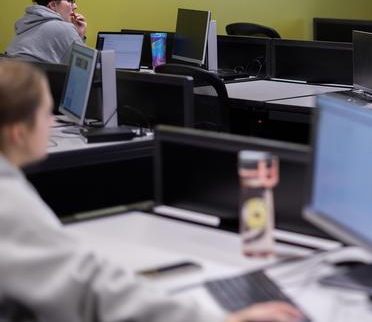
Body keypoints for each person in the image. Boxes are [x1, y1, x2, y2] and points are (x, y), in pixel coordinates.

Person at [0, 59, 302, 322]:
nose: (52, 120)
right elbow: (93, 292)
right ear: (19, 132)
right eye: (46, 112)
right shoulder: (10, 204)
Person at [5, 0, 88, 64]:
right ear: (53, 5)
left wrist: (79, 35)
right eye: (70, 1)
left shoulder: (26, 26)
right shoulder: (63, 29)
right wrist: (80, 35)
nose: (75, 6)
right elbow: (84, 66)